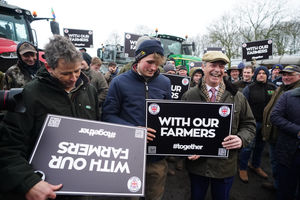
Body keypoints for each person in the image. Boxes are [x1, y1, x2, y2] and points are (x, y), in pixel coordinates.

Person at [0, 35, 100, 200]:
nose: (74, 78)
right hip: (46, 188)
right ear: (49, 67)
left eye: (77, 70)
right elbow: (8, 148)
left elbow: (97, 132)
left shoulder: (89, 91)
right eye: (66, 73)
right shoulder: (30, 95)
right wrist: (28, 182)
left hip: (82, 187)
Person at [102, 39, 171, 200]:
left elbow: (169, 116)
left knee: (155, 196)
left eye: (158, 64)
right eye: (149, 62)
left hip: (156, 158)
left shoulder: (165, 82)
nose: (154, 68)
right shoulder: (119, 82)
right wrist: (134, 131)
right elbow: (108, 116)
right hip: (128, 156)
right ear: (138, 59)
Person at [182, 51, 256, 200]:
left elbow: (249, 124)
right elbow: (180, 128)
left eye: (221, 66)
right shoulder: (189, 96)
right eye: (213, 65)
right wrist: (187, 148)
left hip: (225, 166)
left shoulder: (237, 96)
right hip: (198, 166)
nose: (217, 70)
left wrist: (241, 139)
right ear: (203, 67)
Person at [262, 65, 300, 190]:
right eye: (284, 75)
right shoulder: (280, 88)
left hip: (286, 139)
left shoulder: (295, 93)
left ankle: (281, 187)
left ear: (298, 76)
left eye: (290, 75)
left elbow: (277, 116)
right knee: (275, 163)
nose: (286, 77)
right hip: (274, 134)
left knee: (285, 168)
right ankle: (277, 184)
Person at [238, 66, 276, 183]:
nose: (261, 75)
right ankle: (243, 168)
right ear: (255, 75)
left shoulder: (273, 88)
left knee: (260, 146)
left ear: (266, 75)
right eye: (259, 73)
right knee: (248, 147)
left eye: (263, 73)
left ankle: (255, 165)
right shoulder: (249, 88)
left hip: (266, 124)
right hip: (252, 123)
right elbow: (242, 106)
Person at [270, 86, 300, 200]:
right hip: (289, 152)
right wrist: (297, 131)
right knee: (285, 189)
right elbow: (275, 116)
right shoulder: (288, 96)